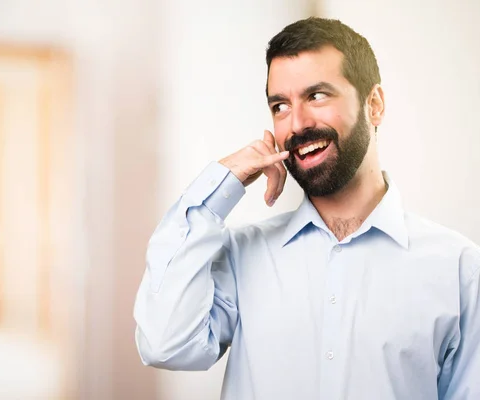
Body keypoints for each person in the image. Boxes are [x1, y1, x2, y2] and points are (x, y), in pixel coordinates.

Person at [133, 17, 480, 399]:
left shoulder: (459, 268)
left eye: (317, 96)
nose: (297, 124)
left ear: (374, 105)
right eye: (280, 106)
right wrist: (221, 184)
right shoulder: (240, 256)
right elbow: (164, 343)